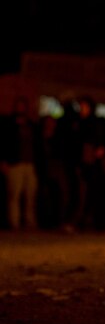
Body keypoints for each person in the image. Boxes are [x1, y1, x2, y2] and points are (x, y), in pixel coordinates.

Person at [0, 96, 42, 230]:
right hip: (14, 163)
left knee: (30, 195)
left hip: (30, 164)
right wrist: (3, 161)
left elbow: (37, 146)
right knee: (14, 195)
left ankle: (30, 222)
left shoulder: (31, 125)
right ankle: (14, 222)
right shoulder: (7, 124)